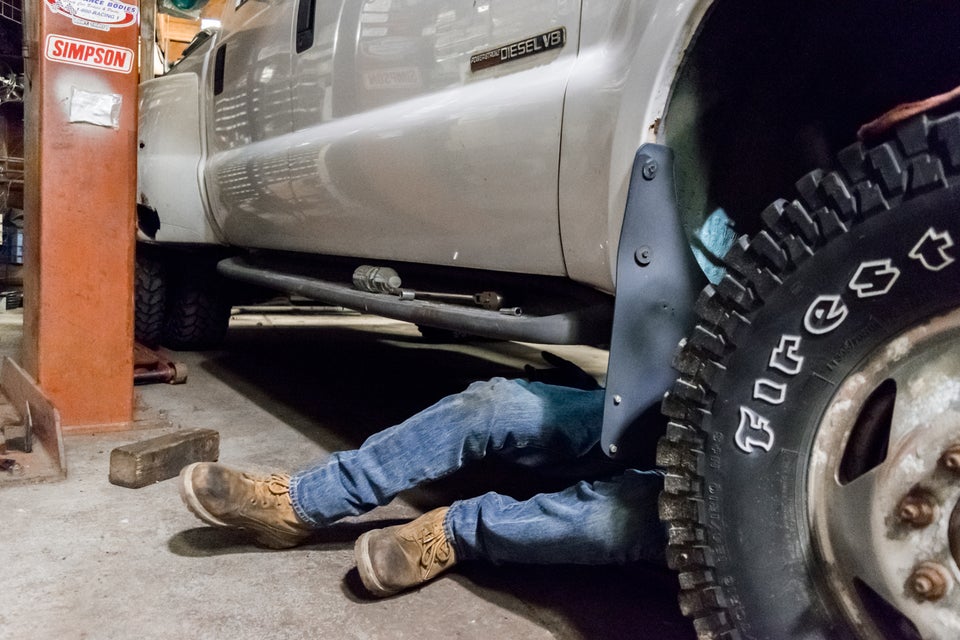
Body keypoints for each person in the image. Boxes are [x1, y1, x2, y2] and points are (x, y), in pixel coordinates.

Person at [177, 358, 667, 598]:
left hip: (703, 493)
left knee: (620, 522)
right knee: (495, 405)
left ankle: (455, 532)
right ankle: (299, 502)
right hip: (671, 413)